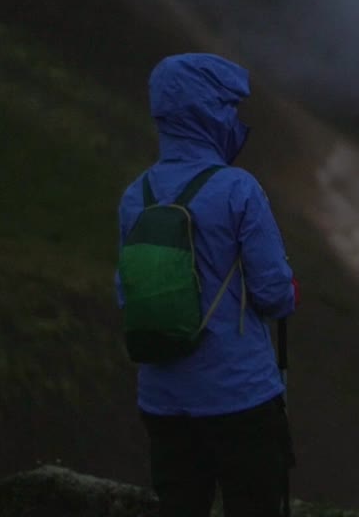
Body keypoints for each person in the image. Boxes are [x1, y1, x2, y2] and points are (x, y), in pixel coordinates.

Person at [115, 53, 298, 517]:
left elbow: (126, 290)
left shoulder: (138, 194)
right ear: (209, 111)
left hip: (162, 398)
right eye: (228, 106)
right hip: (241, 396)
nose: (235, 118)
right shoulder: (238, 188)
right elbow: (274, 293)